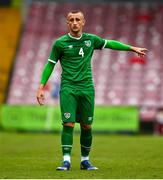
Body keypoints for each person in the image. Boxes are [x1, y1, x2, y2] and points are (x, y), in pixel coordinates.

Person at [36, 10, 147, 171]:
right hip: (68, 88)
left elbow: (110, 44)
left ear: (83, 22)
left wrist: (131, 48)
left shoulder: (91, 40)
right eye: (71, 20)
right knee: (68, 123)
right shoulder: (60, 43)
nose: (74, 22)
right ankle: (66, 160)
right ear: (68, 23)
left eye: (77, 19)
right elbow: (50, 64)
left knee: (87, 126)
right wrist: (41, 87)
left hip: (87, 88)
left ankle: (85, 161)